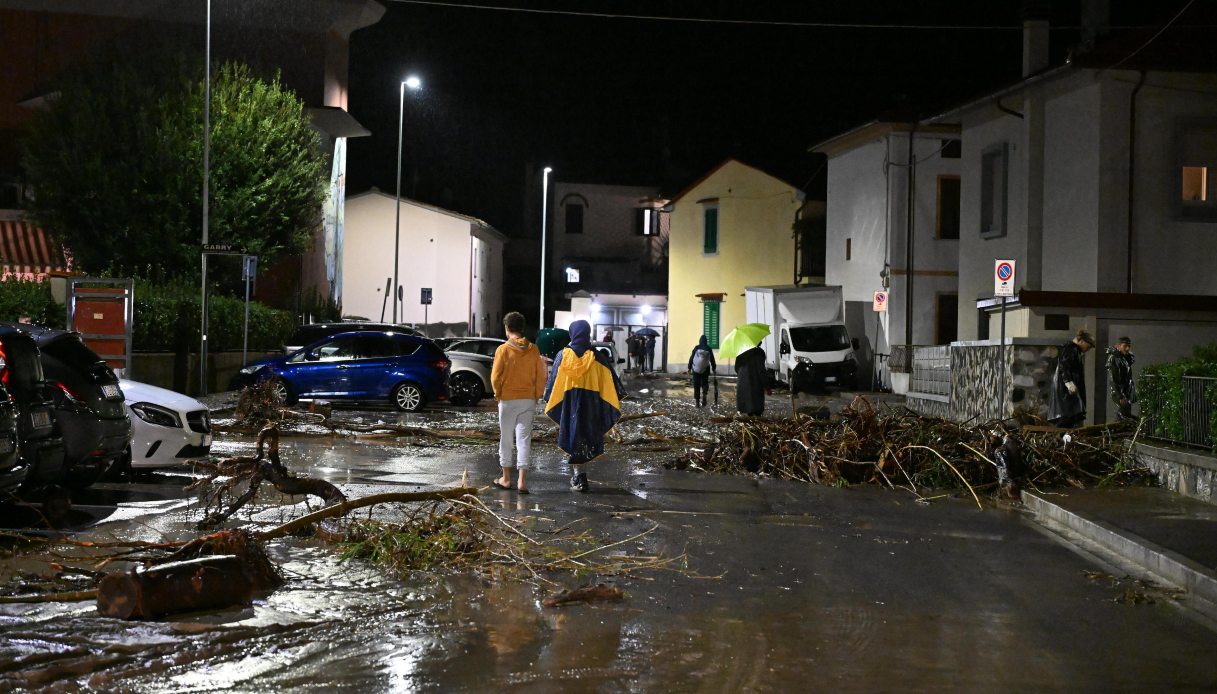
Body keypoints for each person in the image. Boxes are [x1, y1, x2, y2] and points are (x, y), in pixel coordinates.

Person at [543, 319, 625, 493]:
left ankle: (579, 476)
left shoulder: (563, 356)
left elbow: (553, 384)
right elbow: (611, 385)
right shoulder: (598, 357)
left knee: (572, 435)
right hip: (591, 407)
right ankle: (580, 475)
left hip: (568, 406)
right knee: (586, 437)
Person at [490, 312, 548, 493]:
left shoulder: (503, 350)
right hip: (528, 400)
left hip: (507, 399)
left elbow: (495, 377)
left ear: (507, 328)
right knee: (524, 440)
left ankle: (506, 479)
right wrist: (536, 395)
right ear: (522, 329)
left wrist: (498, 393)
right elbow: (541, 376)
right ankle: (522, 482)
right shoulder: (534, 350)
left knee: (506, 439)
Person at [1048, 329, 1095, 428]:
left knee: (1071, 416)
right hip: (1066, 390)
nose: (1089, 348)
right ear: (1082, 341)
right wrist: (1069, 382)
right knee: (1067, 416)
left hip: (1068, 389)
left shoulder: (1074, 350)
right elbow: (1064, 366)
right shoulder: (1070, 349)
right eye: (1089, 345)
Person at [1106, 336, 1136, 422]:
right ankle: (1116, 432)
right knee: (1122, 414)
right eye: (1125, 346)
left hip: (1126, 390)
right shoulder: (1114, 358)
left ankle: (1120, 431)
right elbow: (1113, 379)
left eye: (1129, 346)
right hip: (1120, 391)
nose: (1127, 348)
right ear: (1118, 346)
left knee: (1125, 413)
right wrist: (1120, 395)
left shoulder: (1124, 357)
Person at [735, 345, 767, 416]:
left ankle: (751, 422)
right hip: (755, 384)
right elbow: (761, 371)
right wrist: (766, 386)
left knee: (749, 409)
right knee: (756, 409)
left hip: (743, 383)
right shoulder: (758, 352)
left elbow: (736, 368)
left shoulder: (741, 352)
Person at [687, 335, 717, 407]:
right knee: (705, 383)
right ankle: (704, 395)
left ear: (700, 341)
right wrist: (714, 368)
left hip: (696, 369)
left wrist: (689, 367)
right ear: (706, 341)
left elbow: (691, 358)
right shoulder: (709, 349)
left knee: (696, 385)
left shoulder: (696, 348)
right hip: (705, 369)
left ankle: (697, 402)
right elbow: (712, 360)